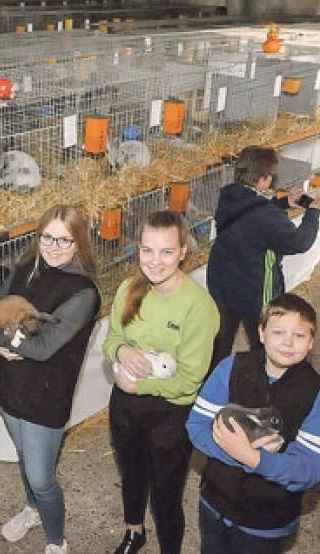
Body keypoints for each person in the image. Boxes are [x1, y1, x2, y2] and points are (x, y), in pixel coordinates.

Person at [0, 204, 101, 554]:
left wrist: (1, 337)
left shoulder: (83, 292)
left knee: (41, 477)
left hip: (45, 396)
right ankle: (32, 510)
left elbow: (45, 347)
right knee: (23, 455)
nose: (53, 247)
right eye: (47, 237)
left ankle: (56, 541)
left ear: (79, 243)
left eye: (64, 240)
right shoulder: (24, 268)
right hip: (10, 386)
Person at [104, 210, 220, 554]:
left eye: (166, 252)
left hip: (170, 410)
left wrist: (141, 387)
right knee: (131, 471)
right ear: (137, 249)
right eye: (147, 251)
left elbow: (190, 379)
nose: (155, 262)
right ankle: (134, 532)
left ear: (183, 251)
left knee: (166, 489)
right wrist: (122, 351)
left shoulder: (199, 307)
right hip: (125, 404)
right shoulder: (129, 289)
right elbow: (110, 339)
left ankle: (171, 547)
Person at [187, 293, 320, 554]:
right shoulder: (232, 367)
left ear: (312, 341)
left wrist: (254, 459)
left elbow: (309, 469)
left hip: (267, 522)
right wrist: (236, 453)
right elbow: (196, 425)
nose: (288, 342)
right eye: (278, 332)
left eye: (300, 336)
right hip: (215, 503)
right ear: (261, 332)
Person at [206, 146, 320, 369]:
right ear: (265, 180)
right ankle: (261, 380)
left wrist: (282, 204)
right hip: (254, 291)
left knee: (221, 339)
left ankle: (211, 382)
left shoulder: (229, 196)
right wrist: (313, 215)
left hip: (222, 282)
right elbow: (299, 242)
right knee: (263, 341)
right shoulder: (268, 216)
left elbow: (251, 216)